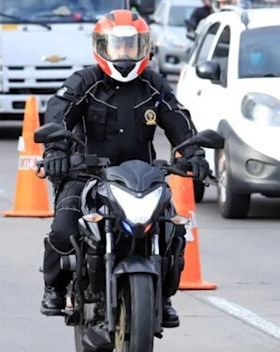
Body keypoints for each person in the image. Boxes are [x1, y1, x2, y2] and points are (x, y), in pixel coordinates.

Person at [40, 9, 210, 328]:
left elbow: (177, 119)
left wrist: (194, 154)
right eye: (117, 46)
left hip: (141, 177)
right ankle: (55, 286)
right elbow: (58, 115)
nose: (124, 54)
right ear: (101, 47)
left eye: (131, 46)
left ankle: (163, 296)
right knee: (64, 228)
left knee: (173, 229)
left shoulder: (153, 84)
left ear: (144, 48)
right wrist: (56, 152)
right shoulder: (84, 82)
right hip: (86, 174)